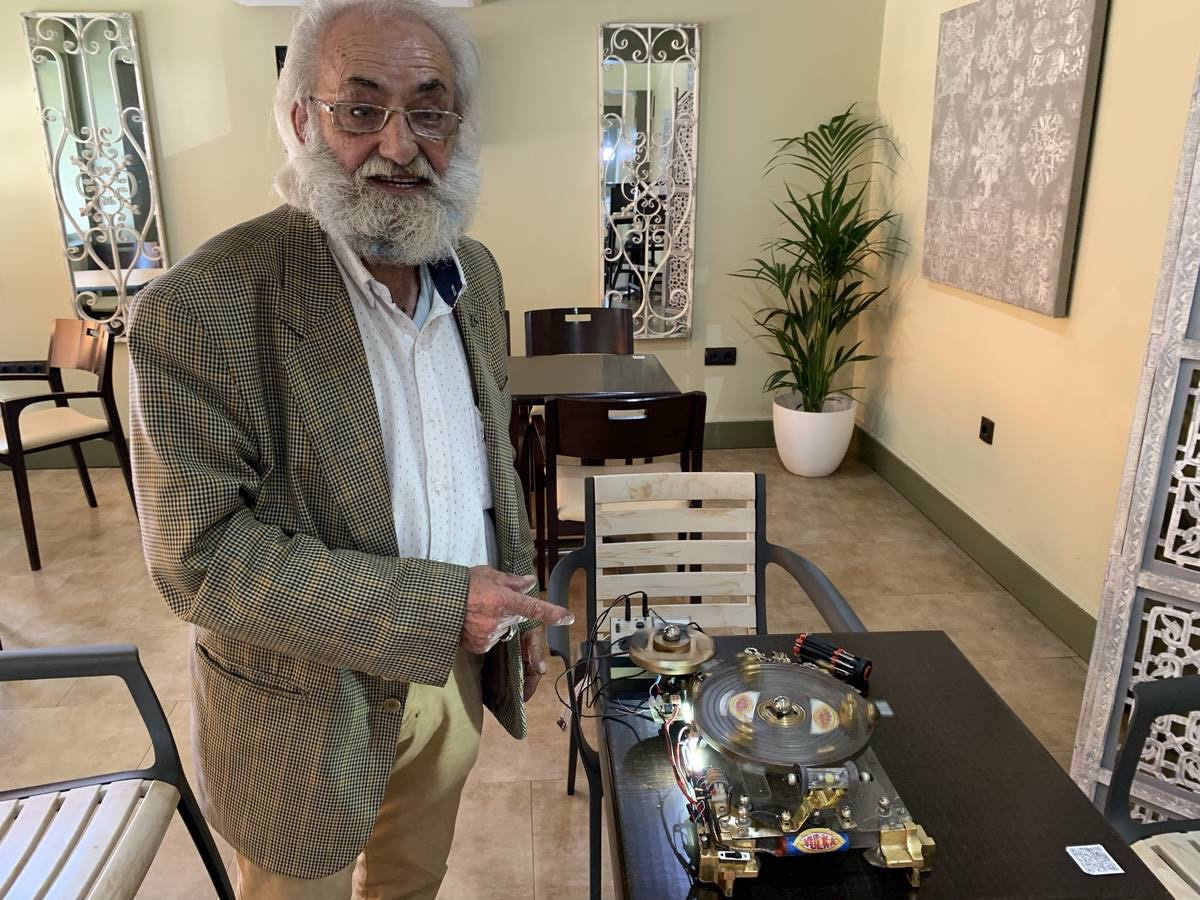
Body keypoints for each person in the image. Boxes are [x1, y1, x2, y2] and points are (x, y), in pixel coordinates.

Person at [126, 1, 573, 897]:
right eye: (361, 109)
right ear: (301, 120)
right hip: (301, 710)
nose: (399, 147)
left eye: (429, 111)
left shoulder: (476, 273)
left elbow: (487, 461)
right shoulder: (199, 306)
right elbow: (199, 559)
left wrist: (513, 594)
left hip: (453, 678)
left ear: (457, 127)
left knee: (412, 882)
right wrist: (443, 605)